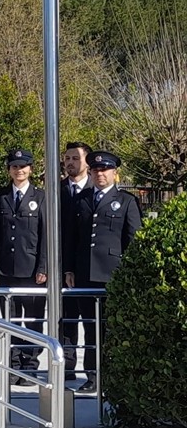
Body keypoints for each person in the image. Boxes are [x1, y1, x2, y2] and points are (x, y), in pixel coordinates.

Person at [64, 150, 141, 393]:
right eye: (96, 170)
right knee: (90, 328)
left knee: (112, 329)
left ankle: (114, 377)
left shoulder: (126, 200)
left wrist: (129, 273)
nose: (100, 174)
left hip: (113, 275)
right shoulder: (83, 199)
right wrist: (69, 268)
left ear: (115, 173)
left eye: (105, 170)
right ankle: (93, 376)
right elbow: (72, 239)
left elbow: (133, 239)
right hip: (85, 274)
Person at [0, 149, 46, 384]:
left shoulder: (41, 197)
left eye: (23, 166)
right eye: (14, 166)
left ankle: (30, 365)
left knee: (33, 319)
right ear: (9, 170)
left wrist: (44, 266)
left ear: (30, 169)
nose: (19, 170)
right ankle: (13, 364)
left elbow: (46, 234)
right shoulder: (0, 196)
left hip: (32, 269)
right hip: (6, 269)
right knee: (10, 319)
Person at [58, 141, 92, 377]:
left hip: (91, 267)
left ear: (87, 162)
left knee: (91, 323)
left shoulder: (94, 190)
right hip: (61, 266)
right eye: (67, 158)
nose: (70, 162)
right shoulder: (55, 191)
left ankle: (92, 371)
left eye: (75, 158)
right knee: (65, 320)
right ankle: (66, 367)